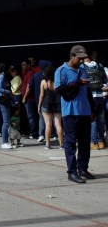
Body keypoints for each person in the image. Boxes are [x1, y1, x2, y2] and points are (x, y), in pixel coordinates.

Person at [55, 45, 94, 183]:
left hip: (85, 111)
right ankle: (72, 171)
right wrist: (77, 83)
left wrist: (92, 109)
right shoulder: (61, 70)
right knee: (70, 142)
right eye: (79, 58)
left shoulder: (83, 70)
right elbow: (59, 89)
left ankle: (82, 168)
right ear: (72, 56)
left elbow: (87, 91)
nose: (81, 61)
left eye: (83, 58)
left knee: (85, 142)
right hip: (70, 112)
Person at [83, 54, 108, 150]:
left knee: (92, 120)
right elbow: (105, 80)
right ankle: (101, 141)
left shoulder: (82, 67)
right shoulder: (99, 65)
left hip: (90, 97)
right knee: (101, 120)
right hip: (100, 96)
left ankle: (94, 143)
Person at [38, 65, 63, 150]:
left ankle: (48, 144)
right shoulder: (58, 81)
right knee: (58, 124)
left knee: (48, 125)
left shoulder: (43, 82)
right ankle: (61, 144)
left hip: (46, 104)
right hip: (57, 104)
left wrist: (39, 106)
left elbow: (41, 95)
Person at [0, 63, 14, 149]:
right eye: (10, 69)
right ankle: (4, 142)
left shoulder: (5, 77)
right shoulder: (1, 76)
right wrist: (7, 92)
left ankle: (6, 141)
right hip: (3, 101)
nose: (11, 71)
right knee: (6, 122)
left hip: (6, 101)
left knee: (7, 122)